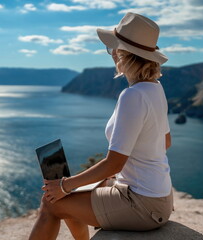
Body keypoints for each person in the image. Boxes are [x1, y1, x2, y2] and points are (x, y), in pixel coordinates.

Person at [29, 12, 173, 240]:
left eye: (113, 48)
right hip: (157, 196)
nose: (112, 54)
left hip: (142, 204)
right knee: (69, 194)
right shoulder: (155, 88)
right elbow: (165, 141)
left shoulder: (132, 96)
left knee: (52, 203)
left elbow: (114, 163)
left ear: (124, 54)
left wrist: (64, 185)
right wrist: (131, 177)